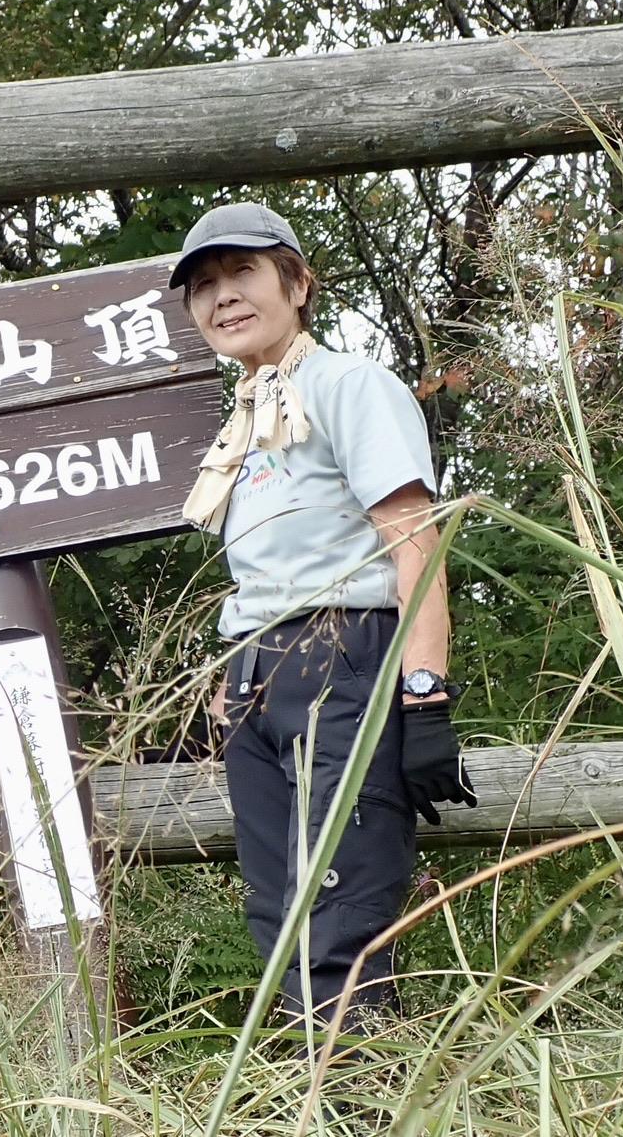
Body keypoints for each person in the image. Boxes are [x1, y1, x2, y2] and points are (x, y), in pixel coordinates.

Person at [173, 201, 476, 1024]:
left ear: (298, 282)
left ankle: (358, 1102)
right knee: (279, 919)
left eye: (242, 273)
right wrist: (229, 676)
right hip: (254, 678)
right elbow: (268, 566)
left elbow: (413, 537)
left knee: (342, 914)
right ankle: (312, 1105)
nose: (222, 298)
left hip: (342, 660)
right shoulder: (246, 420)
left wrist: (423, 690)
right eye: (203, 285)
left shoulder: (347, 385)